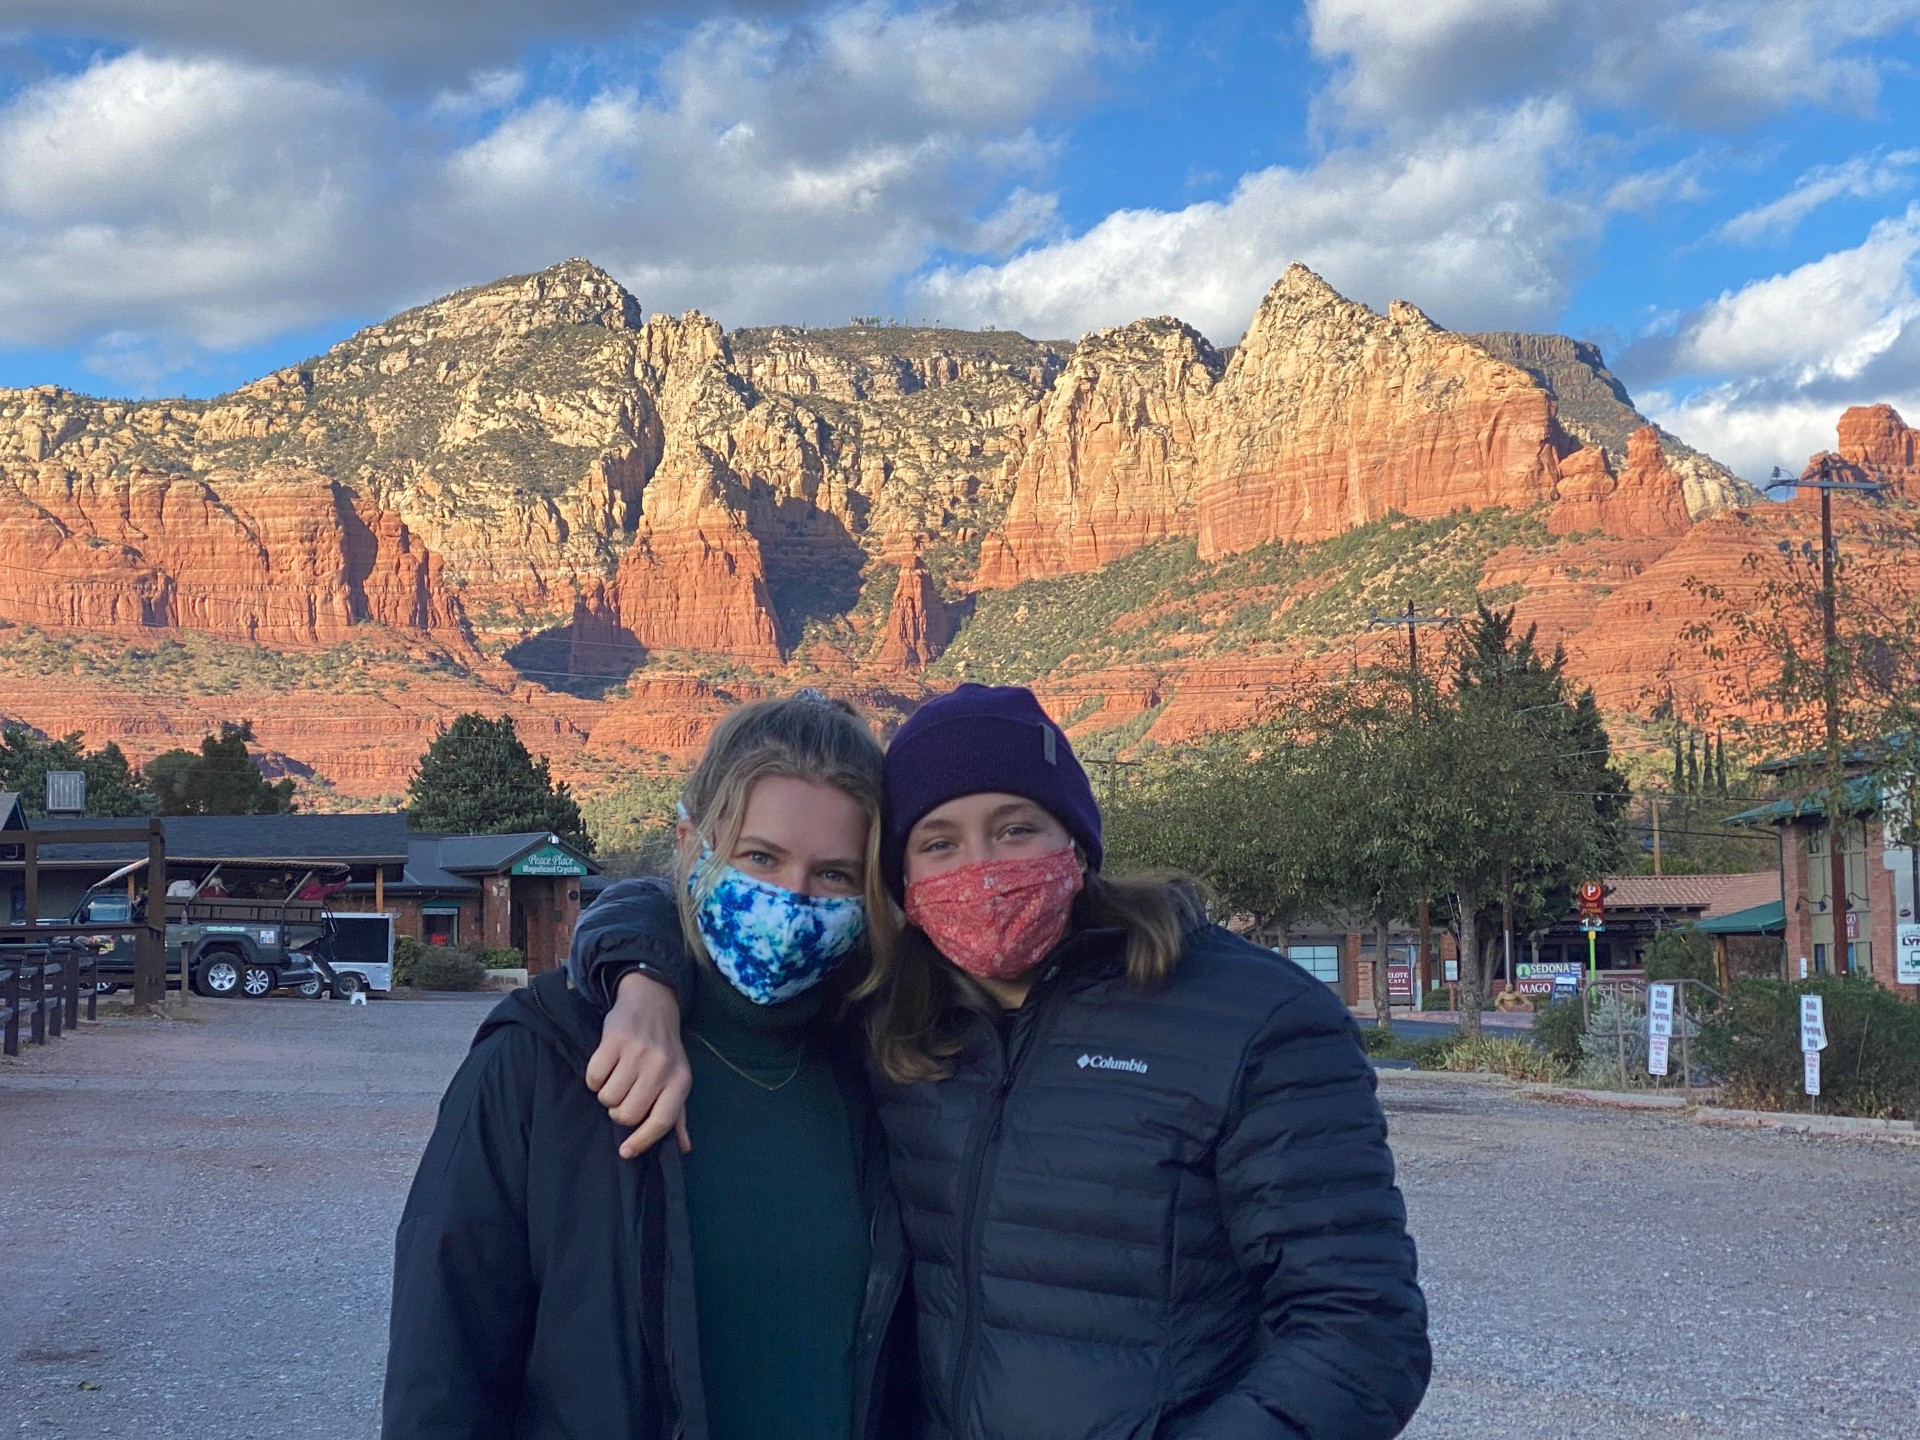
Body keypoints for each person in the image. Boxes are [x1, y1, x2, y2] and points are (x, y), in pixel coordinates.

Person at [587, 684, 1431, 1440]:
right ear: (903, 885)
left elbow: (1361, 1330)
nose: (983, 871)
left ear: (1078, 840)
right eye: (940, 842)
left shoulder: (1255, 1021)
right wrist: (644, 980)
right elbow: (689, 892)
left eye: (1016, 829)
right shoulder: (894, 1009)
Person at [381, 692, 914, 1440]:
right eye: (760, 857)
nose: (790, 899)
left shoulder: (885, 1062)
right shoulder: (544, 1058)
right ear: (692, 842)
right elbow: (444, 1369)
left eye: (833, 875)